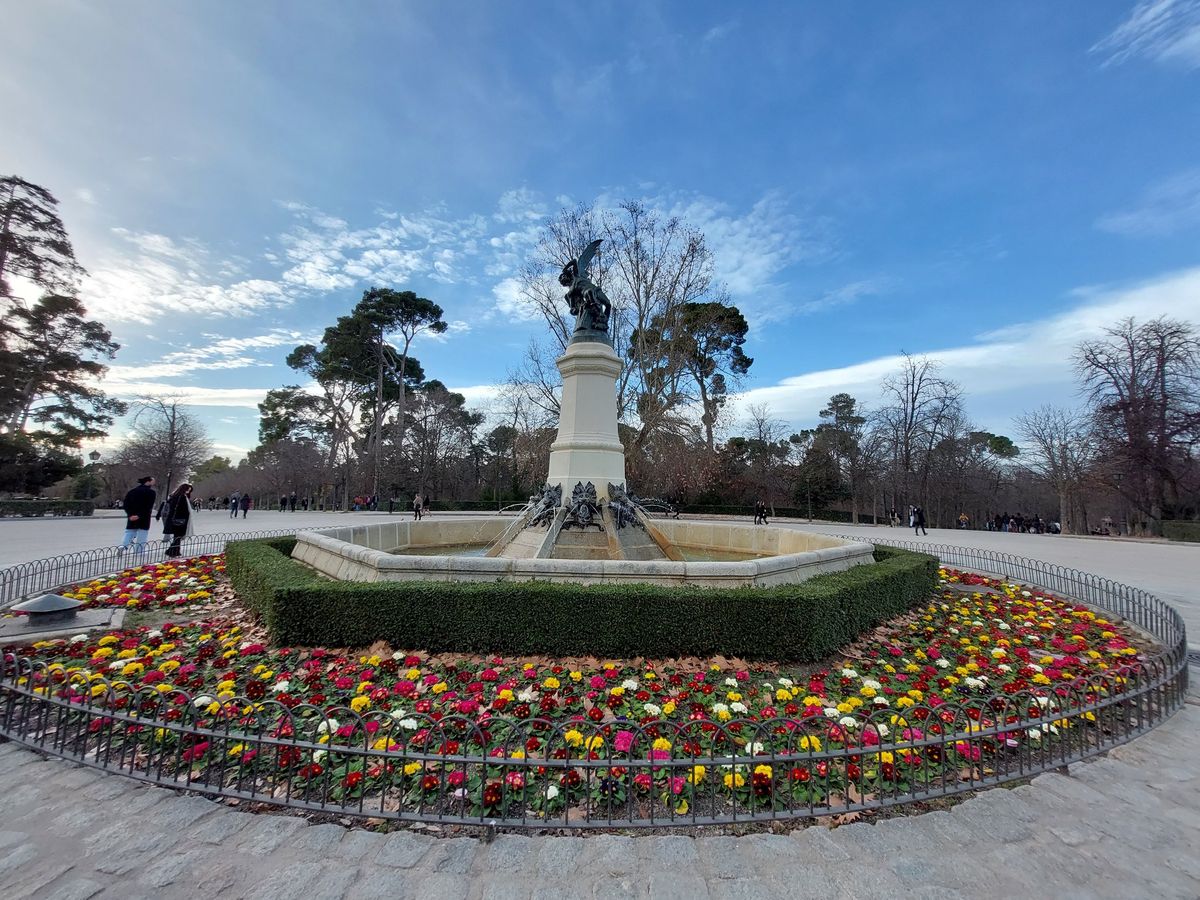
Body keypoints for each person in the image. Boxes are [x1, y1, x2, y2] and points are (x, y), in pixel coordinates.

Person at [119, 476, 157, 552]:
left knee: (129, 532)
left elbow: (126, 504)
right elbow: (148, 506)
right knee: (142, 534)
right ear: (148, 481)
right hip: (144, 517)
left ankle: (123, 546)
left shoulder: (132, 491)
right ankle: (138, 551)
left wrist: (130, 515)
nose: (154, 482)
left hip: (132, 516)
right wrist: (139, 515)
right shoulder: (151, 493)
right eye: (153, 481)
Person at [160, 483, 194, 558]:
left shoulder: (175, 496)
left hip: (174, 518)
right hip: (180, 519)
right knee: (178, 536)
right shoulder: (181, 497)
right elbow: (183, 509)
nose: (188, 492)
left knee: (177, 536)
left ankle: (173, 550)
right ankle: (173, 551)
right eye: (188, 490)